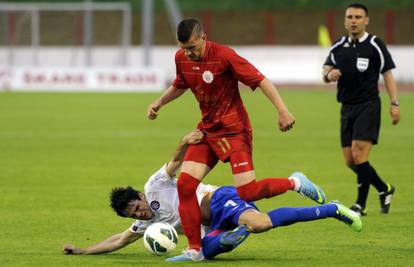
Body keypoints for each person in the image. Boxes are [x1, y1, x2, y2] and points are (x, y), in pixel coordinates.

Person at [146, 18, 313, 261]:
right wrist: (159, 102)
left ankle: (294, 182)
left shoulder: (224, 55)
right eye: (183, 48)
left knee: (247, 191)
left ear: (203, 38)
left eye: (192, 47)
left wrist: (282, 110)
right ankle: (195, 249)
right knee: (185, 185)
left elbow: (261, 80)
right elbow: (180, 84)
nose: (188, 53)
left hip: (235, 132)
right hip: (207, 132)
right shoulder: (181, 58)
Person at [63, 130, 362, 260]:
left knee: (262, 224)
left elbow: (174, 163)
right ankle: (232, 236)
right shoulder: (145, 227)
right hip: (214, 223)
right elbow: (118, 240)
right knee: (205, 252)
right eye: (134, 215)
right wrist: (83, 251)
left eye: (137, 208)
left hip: (218, 200)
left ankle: (328, 206)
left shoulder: (155, 186)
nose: (140, 215)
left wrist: (183, 142)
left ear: (141, 196)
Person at [322, 3, 400, 216]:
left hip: (369, 105)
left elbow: (388, 74)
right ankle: (384, 189)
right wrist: (329, 75)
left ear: (366, 20)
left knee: (359, 153)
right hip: (347, 107)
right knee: (350, 160)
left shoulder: (375, 44)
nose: (353, 20)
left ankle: (360, 205)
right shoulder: (339, 45)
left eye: (358, 17)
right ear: (345, 20)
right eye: (350, 17)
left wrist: (395, 103)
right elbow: (325, 70)